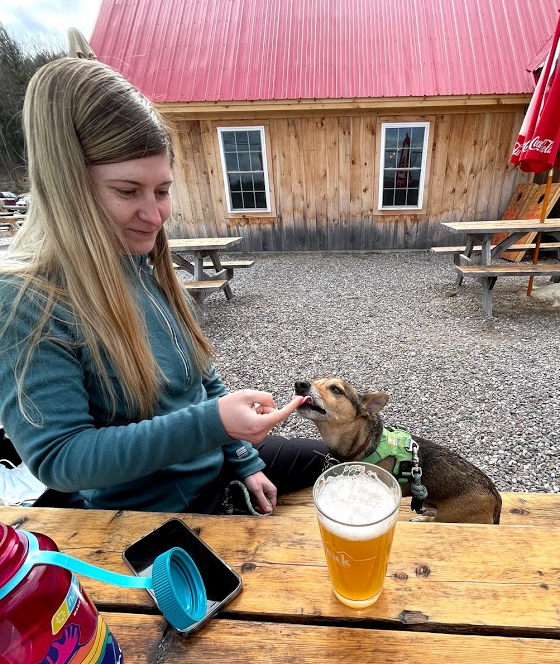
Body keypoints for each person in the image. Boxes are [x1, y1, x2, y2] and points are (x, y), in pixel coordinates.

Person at [0, 58, 326, 514]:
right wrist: (214, 425)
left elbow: (203, 379)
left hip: (217, 464)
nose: (155, 216)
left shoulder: (142, 266)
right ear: (67, 188)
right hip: (152, 510)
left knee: (357, 460)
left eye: (162, 190)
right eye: (128, 191)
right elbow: (60, 457)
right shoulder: (27, 299)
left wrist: (244, 459)